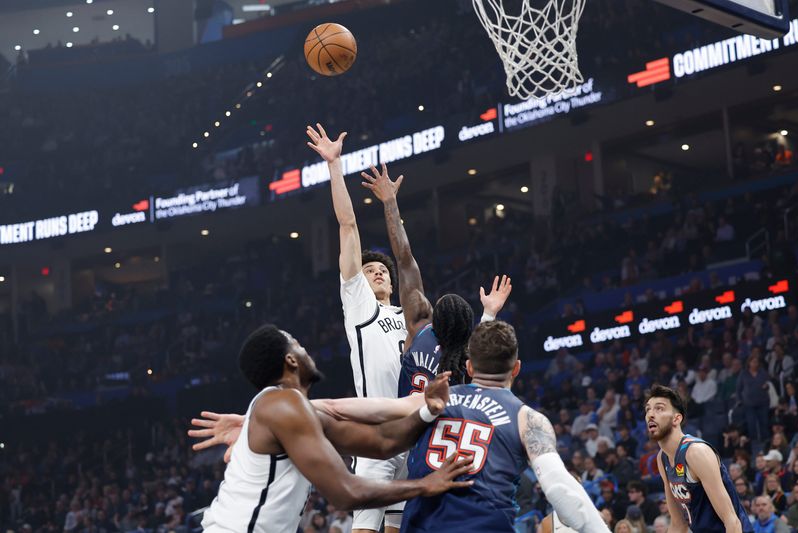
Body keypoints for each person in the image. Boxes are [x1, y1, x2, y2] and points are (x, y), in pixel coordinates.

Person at [199, 324, 472, 533]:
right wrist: (423, 485)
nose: (307, 351)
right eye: (299, 346)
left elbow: (381, 442)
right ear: (291, 360)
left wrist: (427, 411)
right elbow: (345, 493)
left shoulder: (295, 411)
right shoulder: (283, 405)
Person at [400, 321, 609, 532]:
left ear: (470, 367)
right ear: (516, 368)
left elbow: (381, 417)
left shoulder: (433, 400)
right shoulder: (527, 418)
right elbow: (559, 487)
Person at [306, 123, 409, 533]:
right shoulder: (360, 305)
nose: (378, 272)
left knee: (399, 528)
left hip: (414, 431)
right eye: (369, 270)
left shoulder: (410, 316)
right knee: (365, 527)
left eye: (383, 270)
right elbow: (348, 226)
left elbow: (406, 258)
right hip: (376, 434)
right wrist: (335, 166)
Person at [358, 162, 511, 396]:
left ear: (434, 315)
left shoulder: (421, 327)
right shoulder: (467, 356)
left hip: (408, 417)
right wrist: (489, 314)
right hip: (449, 419)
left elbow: (404, 259)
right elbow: (483, 349)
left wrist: (390, 202)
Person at [646, 384, 752, 532]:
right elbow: (678, 524)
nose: (650, 414)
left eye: (659, 408)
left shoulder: (696, 452)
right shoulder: (662, 458)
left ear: (676, 419)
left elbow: (732, 521)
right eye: (648, 409)